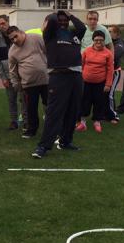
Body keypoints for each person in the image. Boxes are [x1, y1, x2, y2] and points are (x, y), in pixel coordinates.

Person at [32, 10, 86, 159]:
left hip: (75, 76)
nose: (62, 22)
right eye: (59, 20)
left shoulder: (73, 34)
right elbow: (51, 23)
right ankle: (43, 146)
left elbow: (83, 28)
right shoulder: (50, 35)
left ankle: (65, 141)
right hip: (58, 75)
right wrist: (57, 14)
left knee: (73, 111)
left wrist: (70, 16)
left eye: (65, 20)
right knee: (54, 112)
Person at [7, 26, 48, 139]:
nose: (15, 40)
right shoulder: (12, 51)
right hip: (28, 84)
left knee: (50, 105)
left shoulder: (36, 38)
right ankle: (31, 130)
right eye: (12, 39)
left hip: (46, 80)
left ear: (21, 32)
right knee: (31, 109)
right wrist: (16, 84)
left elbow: (48, 51)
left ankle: (53, 128)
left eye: (16, 36)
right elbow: (12, 70)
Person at [76, 30, 114, 133]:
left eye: (101, 40)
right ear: (93, 40)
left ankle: (97, 122)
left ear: (104, 41)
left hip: (100, 83)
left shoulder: (108, 53)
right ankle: (82, 122)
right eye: (96, 40)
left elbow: (110, 70)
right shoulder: (87, 51)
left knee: (99, 102)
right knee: (85, 101)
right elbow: (81, 65)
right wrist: (80, 79)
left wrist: (108, 84)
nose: (98, 42)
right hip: (86, 82)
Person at [0, 15, 27, 130]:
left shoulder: (19, 35)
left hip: (22, 74)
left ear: (8, 22)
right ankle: (14, 121)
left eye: (3, 23)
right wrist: (3, 77)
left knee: (24, 99)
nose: (1, 26)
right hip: (8, 75)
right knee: (11, 99)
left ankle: (25, 121)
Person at [107, 25, 124, 123]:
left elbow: (114, 56)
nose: (108, 33)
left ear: (116, 34)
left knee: (110, 94)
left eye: (110, 31)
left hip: (114, 72)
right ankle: (105, 113)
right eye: (107, 31)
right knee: (103, 94)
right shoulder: (107, 43)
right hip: (104, 72)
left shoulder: (119, 44)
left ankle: (114, 116)